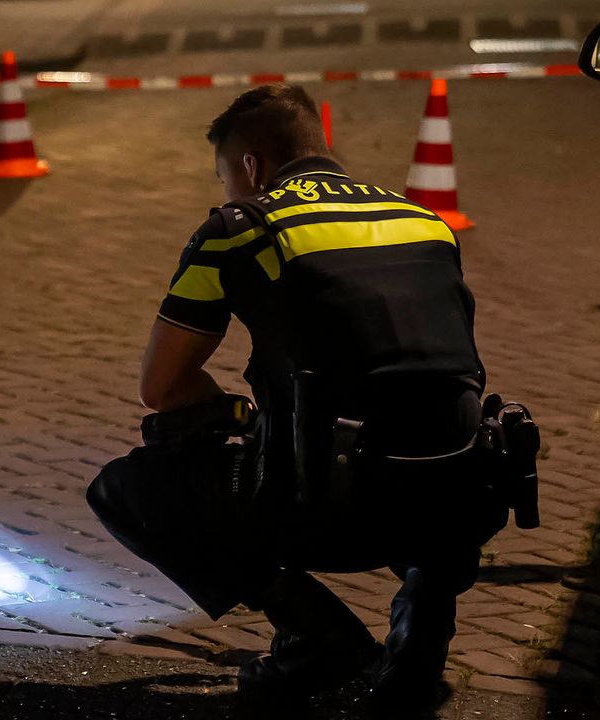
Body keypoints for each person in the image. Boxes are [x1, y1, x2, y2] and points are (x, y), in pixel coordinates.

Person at [87, 84, 511, 708]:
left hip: (334, 508)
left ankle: (318, 636)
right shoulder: (423, 220)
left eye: (226, 177)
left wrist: (237, 416)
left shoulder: (238, 230)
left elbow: (162, 387)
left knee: (127, 488)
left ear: (251, 165)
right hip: (461, 497)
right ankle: (423, 623)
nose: (229, 191)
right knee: (424, 421)